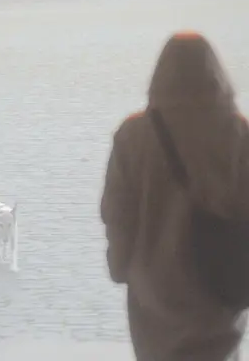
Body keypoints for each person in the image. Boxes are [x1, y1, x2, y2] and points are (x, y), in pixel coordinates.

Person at [101, 31, 249, 360]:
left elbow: (118, 215)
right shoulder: (238, 134)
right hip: (218, 294)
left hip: (153, 296)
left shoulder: (133, 136)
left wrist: (121, 265)